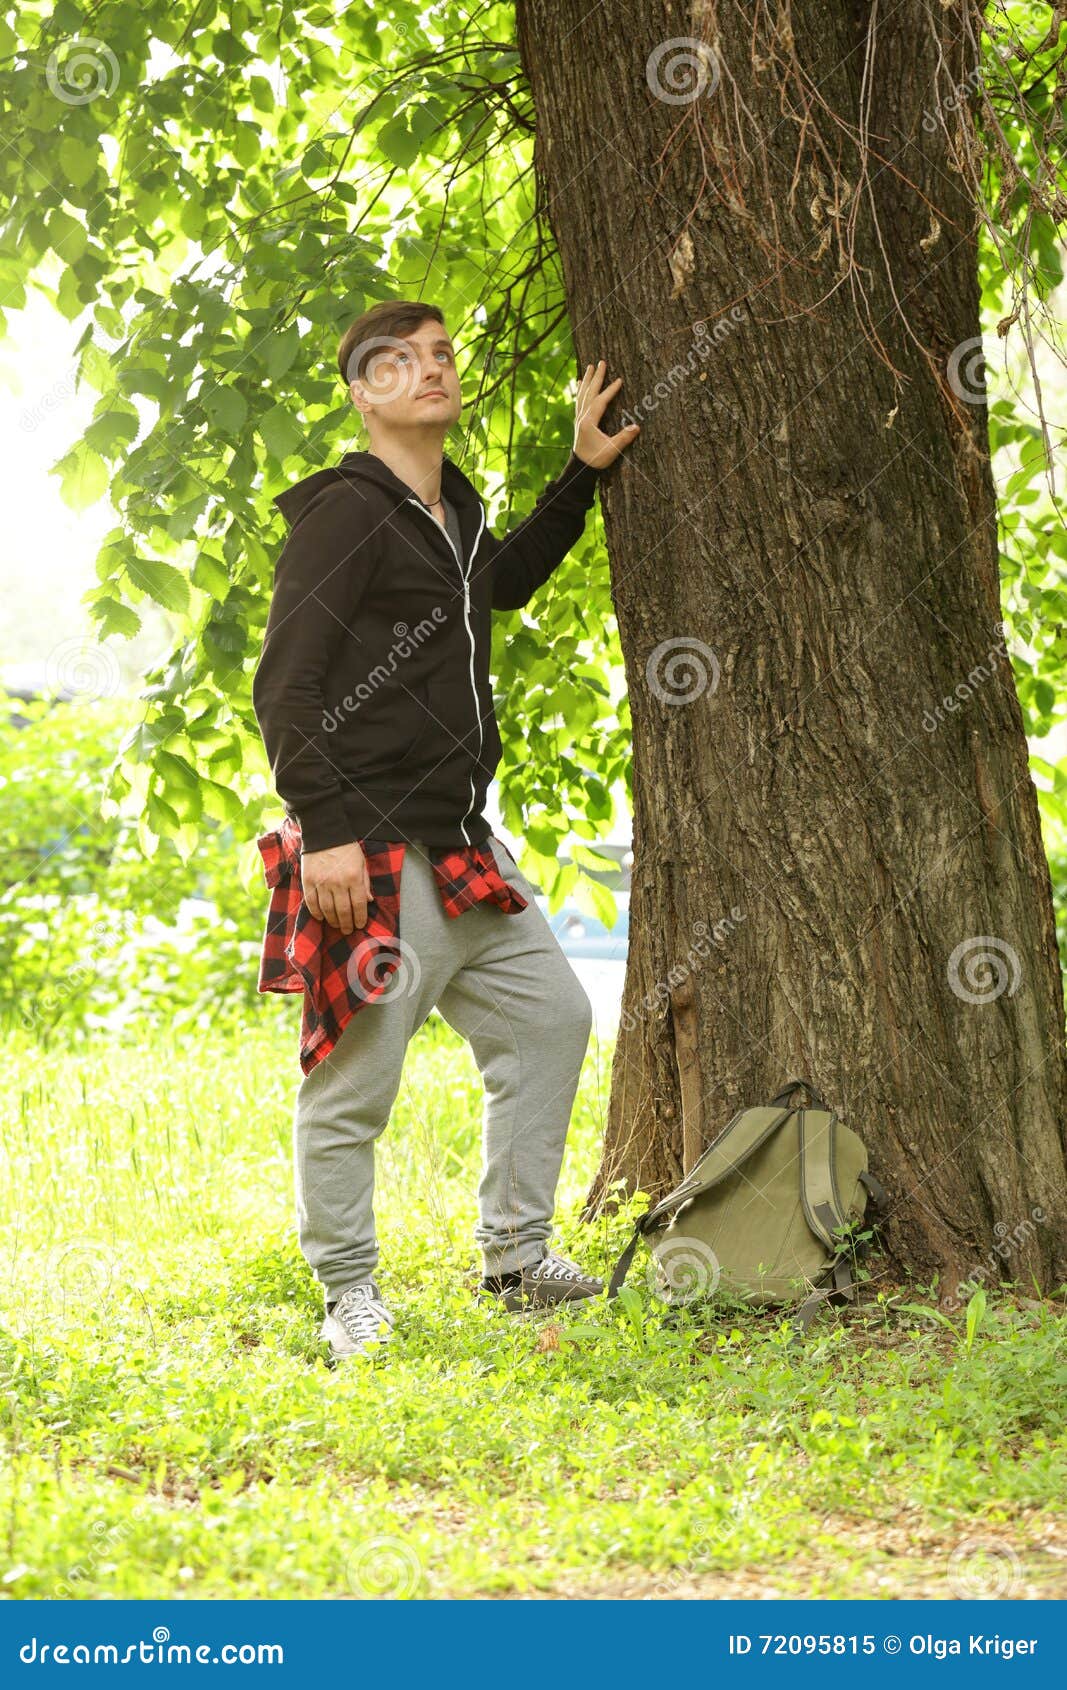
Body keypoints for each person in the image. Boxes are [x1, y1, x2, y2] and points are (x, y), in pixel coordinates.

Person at [251, 298, 640, 1361]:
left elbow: (498, 586)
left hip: (461, 838)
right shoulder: (344, 512)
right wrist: (324, 833)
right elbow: (284, 687)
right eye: (400, 361)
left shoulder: (452, 510)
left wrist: (582, 471)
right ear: (363, 393)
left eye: (440, 354)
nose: (430, 369)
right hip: (369, 848)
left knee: (550, 1019)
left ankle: (514, 1258)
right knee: (354, 1086)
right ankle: (347, 1296)